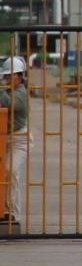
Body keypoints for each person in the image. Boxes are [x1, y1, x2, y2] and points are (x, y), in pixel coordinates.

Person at [0, 57, 29, 230]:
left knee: (12, 171)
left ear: (19, 76)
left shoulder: (20, 93)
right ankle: (4, 210)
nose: (7, 79)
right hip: (5, 138)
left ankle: (14, 214)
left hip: (20, 140)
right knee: (4, 175)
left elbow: (8, 104)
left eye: (10, 76)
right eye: (6, 77)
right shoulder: (8, 90)